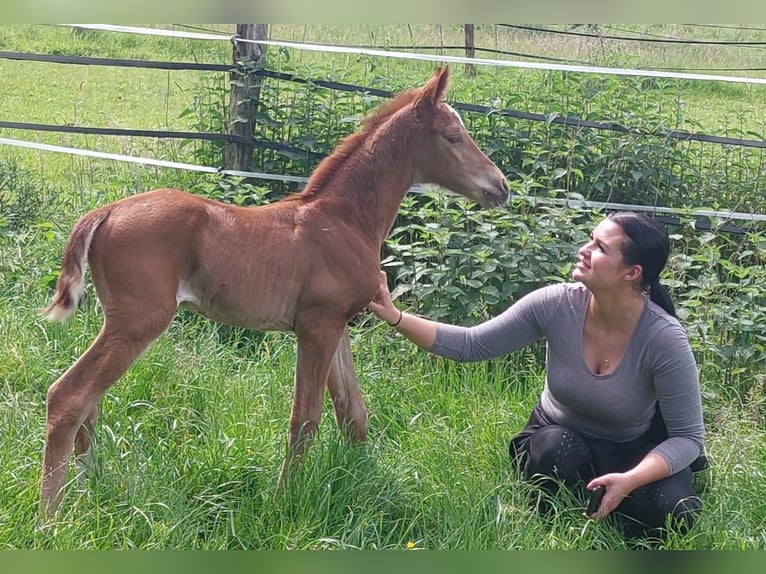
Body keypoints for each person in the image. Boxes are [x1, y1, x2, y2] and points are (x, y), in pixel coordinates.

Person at [367, 211, 706, 540]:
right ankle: (575, 503)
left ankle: (614, 497)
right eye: (590, 239)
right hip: (559, 439)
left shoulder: (663, 338)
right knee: (553, 452)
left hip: (630, 451)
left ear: (631, 273)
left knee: (674, 509)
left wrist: (631, 479)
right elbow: (472, 345)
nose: (583, 251)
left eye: (600, 248)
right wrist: (395, 316)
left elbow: (689, 439)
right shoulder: (556, 304)